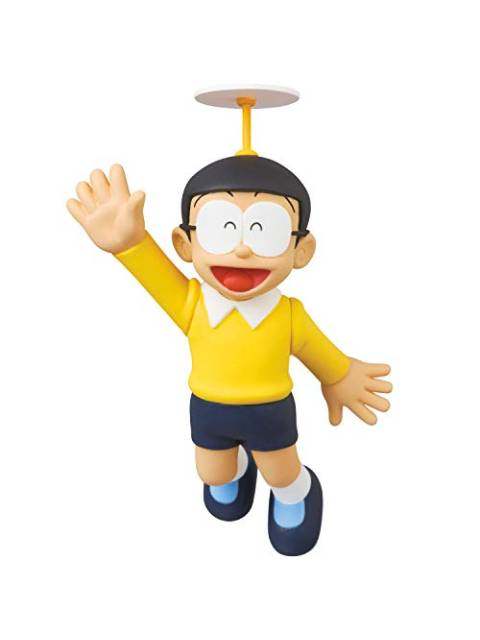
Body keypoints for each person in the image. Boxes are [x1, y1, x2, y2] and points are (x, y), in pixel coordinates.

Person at [67, 155, 392, 556]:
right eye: (220, 228)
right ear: (185, 244)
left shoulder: (288, 315)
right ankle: (238, 469)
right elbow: (153, 274)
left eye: (265, 230)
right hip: (209, 408)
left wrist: (340, 376)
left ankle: (298, 492)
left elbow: (320, 352)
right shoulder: (192, 304)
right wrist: (131, 244)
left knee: (280, 473)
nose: (241, 249)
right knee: (212, 474)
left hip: (270, 412)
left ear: (300, 250)